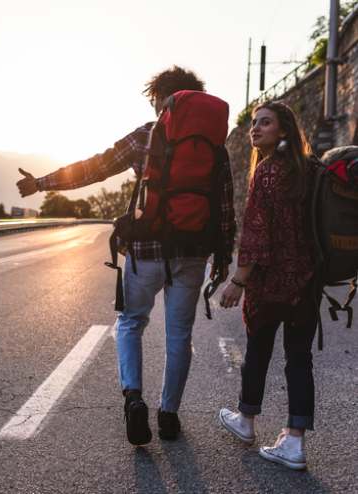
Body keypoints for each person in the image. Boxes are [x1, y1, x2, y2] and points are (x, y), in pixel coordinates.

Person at [16, 66, 236, 445]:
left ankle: (133, 397)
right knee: (179, 336)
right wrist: (223, 258)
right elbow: (225, 205)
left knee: (132, 322)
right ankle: (169, 416)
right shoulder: (214, 144)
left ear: (161, 98)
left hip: (147, 248)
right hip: (193, 252)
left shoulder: (147, 136)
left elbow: (96, 168)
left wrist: (41, 183)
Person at [218, 101, 318, 470]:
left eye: (265, 123)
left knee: (258, 351)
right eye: (254, 123)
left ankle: (246, 421)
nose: (255, 129)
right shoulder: (309, 171)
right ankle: (294, 441)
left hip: (269, 283)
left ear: (284, 130)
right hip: (305, 283)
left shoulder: (267, 172)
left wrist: (237, 281)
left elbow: (256, 233)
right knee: (299, 359)